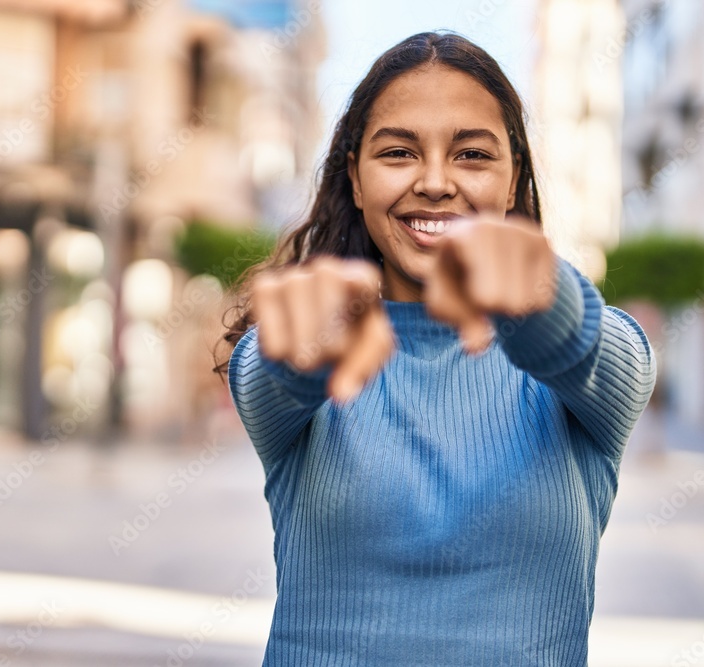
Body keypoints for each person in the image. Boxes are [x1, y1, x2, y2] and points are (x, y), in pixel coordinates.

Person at [219, 31, 656, 666]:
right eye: (397, 152)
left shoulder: (587, 364)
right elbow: (275, 369)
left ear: (513, 181)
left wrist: (539, 291)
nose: (434, 182)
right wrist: (308, 334)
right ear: (356, 178)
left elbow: (586, 347)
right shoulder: (302, 346)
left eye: (472, 155)